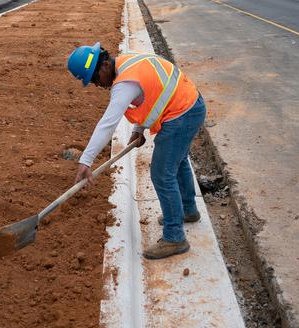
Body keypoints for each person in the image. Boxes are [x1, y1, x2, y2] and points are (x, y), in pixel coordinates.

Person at [67, 43, 206, 260]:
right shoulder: (127, 63)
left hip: (181, 114)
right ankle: (188, 209)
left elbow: (107, 124)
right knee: (177, 162)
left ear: (104, 65)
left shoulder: (124, 84)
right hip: (191, 105)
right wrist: (138, 129)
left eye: (94, 79)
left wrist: (86, 161)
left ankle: (175, 237)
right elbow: (150, 93)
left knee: (162, 174)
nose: (97, 85)